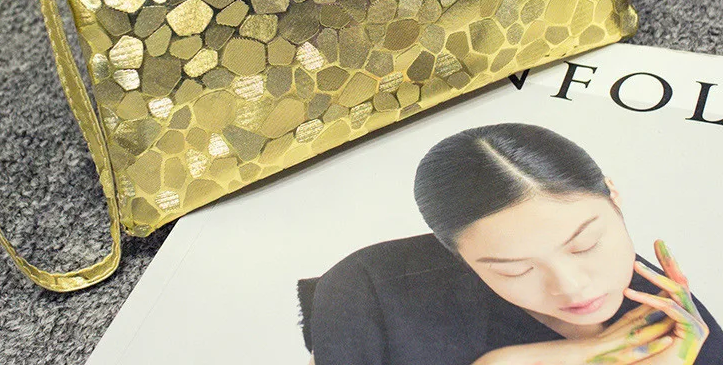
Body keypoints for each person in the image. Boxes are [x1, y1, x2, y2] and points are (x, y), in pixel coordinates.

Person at [307, 123, 721, 364]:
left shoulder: (673, 323)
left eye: (585, 244)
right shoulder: (367, 289)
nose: (573, 286)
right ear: (458, 255)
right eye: (516, 270)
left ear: (612, 195)